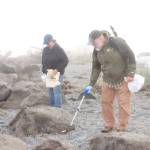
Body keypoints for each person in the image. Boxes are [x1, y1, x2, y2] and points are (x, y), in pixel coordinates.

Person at [84, 30, 136, 132]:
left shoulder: (117, 42)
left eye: (94, 43)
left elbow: (131, 57)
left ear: (100, 38)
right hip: (107, 80)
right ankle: (109, 124)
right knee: (105, 102)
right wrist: (91, 83)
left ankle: (122, 126)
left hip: (123, 79)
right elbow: (96, 67)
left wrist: (131, 73)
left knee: (123, 104)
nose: (93, 46)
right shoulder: (97, 50)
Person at [42, 34, 69, 107]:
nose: (47, 45)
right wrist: (44, 72)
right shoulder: (45, 50)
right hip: (49, 73)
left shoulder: (58, 49)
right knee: (50, 90)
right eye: (46, 43)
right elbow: (43, 61)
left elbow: (65, 60)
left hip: (58, 72)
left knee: (56, 90)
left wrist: (57, 69)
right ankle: (51, 107)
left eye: (48, 43)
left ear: (52, 41)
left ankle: (57, 107)